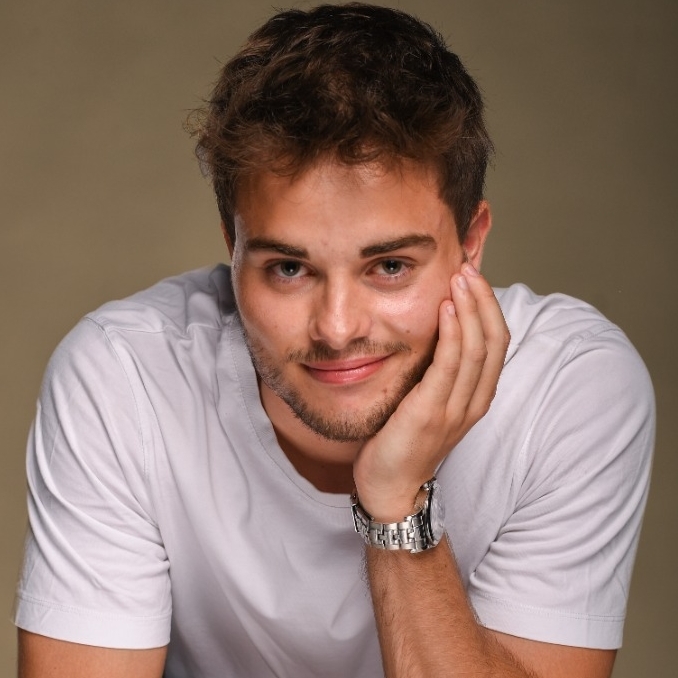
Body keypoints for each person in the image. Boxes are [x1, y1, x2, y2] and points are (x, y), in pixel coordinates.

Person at [14, 4, 654, 677]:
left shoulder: (568, 389)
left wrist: (396, 498)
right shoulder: (125, 378)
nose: (338, 328)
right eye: (289, 269)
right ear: (233, 248)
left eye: (390, 266)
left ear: (471, 244)